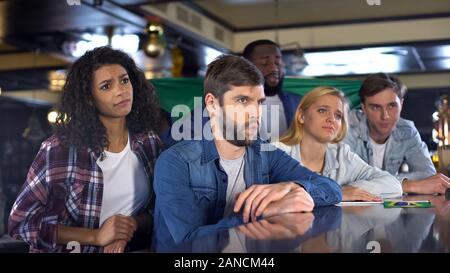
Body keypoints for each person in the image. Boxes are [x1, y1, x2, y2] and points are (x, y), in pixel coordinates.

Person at [152, 54, 341, 250]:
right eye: (242, 100)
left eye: (259, 102)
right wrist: (268, 212)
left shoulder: (265, 153)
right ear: (211, 104)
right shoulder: (176, 162)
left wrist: (292, 187)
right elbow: (189, 242)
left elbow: (332, 189)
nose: (255, 113)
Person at [8, 46, 162, 253]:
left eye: (124, 80)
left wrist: (129, 225)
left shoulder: (148, 142)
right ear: (89, 97)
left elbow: (160, 209)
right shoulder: (59, 149)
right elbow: (21, 223)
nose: (121, 90)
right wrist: (96, 236)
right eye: (106, 86)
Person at [272, 86, 402, 201]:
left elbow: (393, 185)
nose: (331, 119)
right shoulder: (276, 152)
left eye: (338, 115)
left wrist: (349, 189)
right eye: (322, 110)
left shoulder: (341, 153)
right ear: (301, 116)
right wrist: (336, 193)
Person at [343, 73, 450, 195]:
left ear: (402, 104)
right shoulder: (347, 127)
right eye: (376, 107)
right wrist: (405, 185)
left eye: (392, 106)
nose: (385, 116)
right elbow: (344, 184)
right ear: (364, 108)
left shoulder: (406, 130)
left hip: (386, 209)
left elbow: (427, 174)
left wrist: (384, 185)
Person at [243, 39, 301, 141]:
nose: (274, 68)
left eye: (278, 62)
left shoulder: (298, 102)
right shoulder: (231, 103)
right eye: (264, 63)